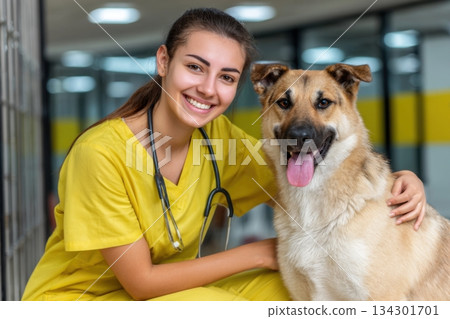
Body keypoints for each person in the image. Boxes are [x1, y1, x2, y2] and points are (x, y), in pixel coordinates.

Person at [22, 8, 427, 301]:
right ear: (163, 61)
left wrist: (401, 181)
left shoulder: (216, 137)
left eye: (227, 77)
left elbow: (305, 175)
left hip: (164, 289)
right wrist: (255, 252)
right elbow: (140, 282)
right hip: (82, 301)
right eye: (195, 68)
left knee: (293, 290)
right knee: (218, 306)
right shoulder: (100, 154)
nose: (208, 88)